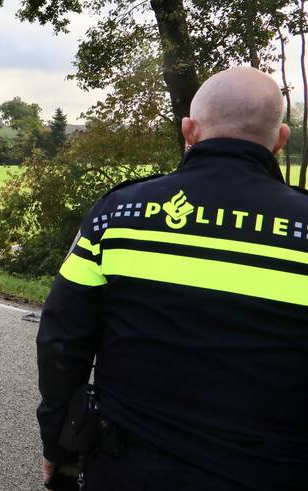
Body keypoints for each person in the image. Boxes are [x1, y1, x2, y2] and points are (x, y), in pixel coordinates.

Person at [36, 67, 308, 491]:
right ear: (280, 139)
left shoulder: (118, 215)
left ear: (189, 130)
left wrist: (59, 444)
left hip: (127, 469)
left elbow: (60, 340)